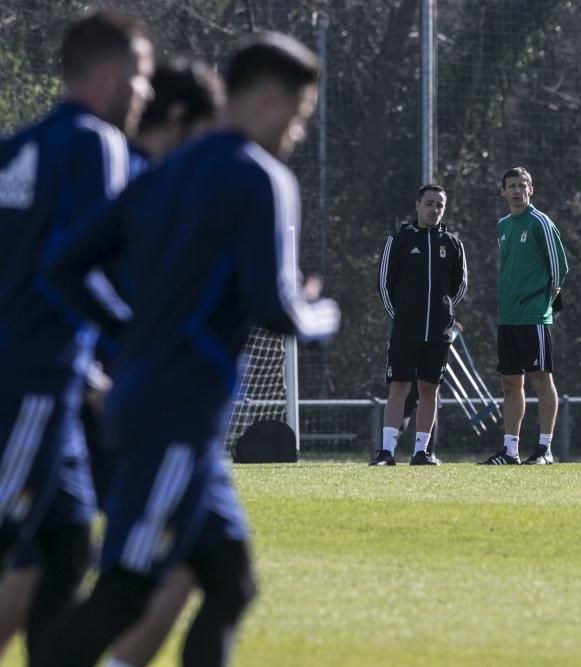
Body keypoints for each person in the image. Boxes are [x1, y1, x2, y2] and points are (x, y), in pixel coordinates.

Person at [39, 31, 339, 667]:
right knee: (125, 587)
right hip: (174, 418)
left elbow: (64, 267)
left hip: (159, 410)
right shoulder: (261, 178)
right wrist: (321, 314)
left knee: (231, 583)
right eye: (299, 115)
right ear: (266, 101)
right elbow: (274, 308)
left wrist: (129, 333)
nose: (297, 132)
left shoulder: (162, 171)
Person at [0, 57, 224, 667]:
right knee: (178, 563)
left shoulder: (61, 156)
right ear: (182, 121)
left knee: (58, 552)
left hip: (81, 393)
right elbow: (75, 277)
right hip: (102, 398)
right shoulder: (127, 176)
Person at [0, 9, 154, 664]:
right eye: (143, 76)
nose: (145, 94)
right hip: (34, 381)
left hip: (47, 383)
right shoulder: (97, 142)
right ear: (111, 74)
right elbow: (71, 268)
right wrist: (132, 332)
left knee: (65, 549)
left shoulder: (17, 147)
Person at [373, 184, 468, 466]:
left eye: (439, 205)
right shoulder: (399, 240)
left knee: (430, 389)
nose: (434, 209)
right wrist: (398, 315)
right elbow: (384, 284)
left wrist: (444, 314)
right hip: (405, 330)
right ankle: (386, 452)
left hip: (438, 333)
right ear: (417, 205)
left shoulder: (452, 244)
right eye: (429, 203)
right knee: (398, 387)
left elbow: (460, 286)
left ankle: (421, 452)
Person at [480, 167, 568, 465]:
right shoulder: (503, 225)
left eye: (522, 185)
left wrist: (545, 299)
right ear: (503, 192)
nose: (517, 191)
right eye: (511, 186)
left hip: (533, 316)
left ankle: (545, 449)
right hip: (508, 318)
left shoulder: (540, 222)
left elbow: (559, 268)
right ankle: (510, 450)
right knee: (509, 383)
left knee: (541, 379)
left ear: (531, 189)